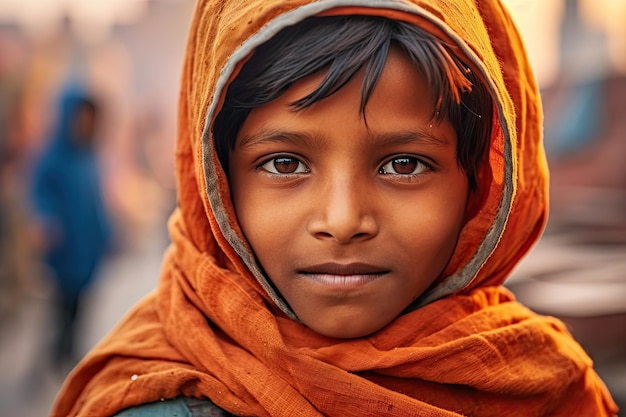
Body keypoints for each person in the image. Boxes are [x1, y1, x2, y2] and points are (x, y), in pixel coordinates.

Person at [50, 0, 618, 416]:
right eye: (285, 164)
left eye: (403, 165)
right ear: (217, 181)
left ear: (480, 189)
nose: (344, 220)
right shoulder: (156, 402)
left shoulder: (544, 389)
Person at [30, 85, 113, 374]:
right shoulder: (52, 157)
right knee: (62, 306)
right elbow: (40, 193)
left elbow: (96, 202)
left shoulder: (89, 157)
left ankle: (69, 350)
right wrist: (46, 219)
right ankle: (55, 353)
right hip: (64, 248)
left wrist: (107, 234)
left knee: (82, 304)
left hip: (86, 246)